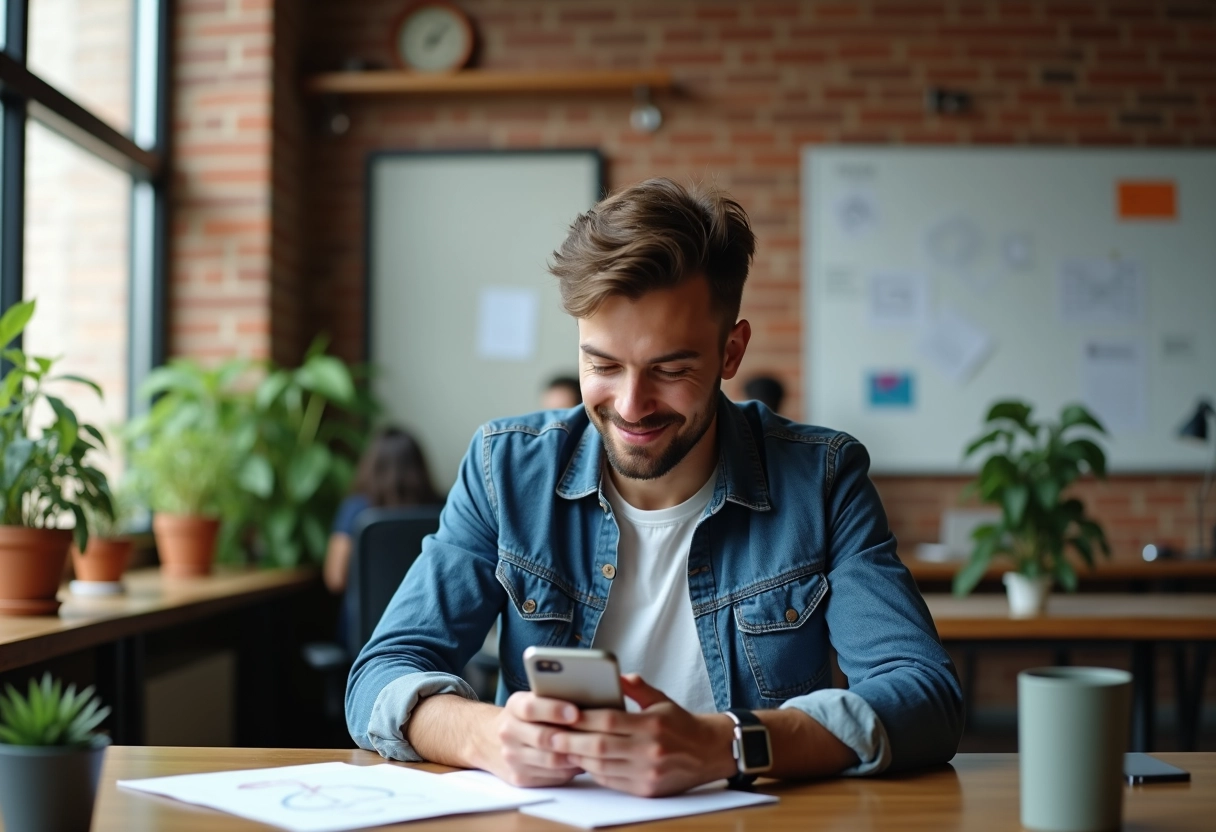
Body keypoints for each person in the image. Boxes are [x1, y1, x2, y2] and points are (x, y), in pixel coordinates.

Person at [347, 179, 962, 797]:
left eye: (671, 369)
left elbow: (925, 695)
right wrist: (486, 734)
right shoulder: (505, 470)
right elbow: (380, 673)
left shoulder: (822, 480)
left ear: (732, 351)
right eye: (603, 365)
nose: (631, 406)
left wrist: (728, 744)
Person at [324, 426, 441, 595]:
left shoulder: (355, 509)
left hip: (367, 620)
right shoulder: (441, 510)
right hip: (423, 618)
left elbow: (335, 578)